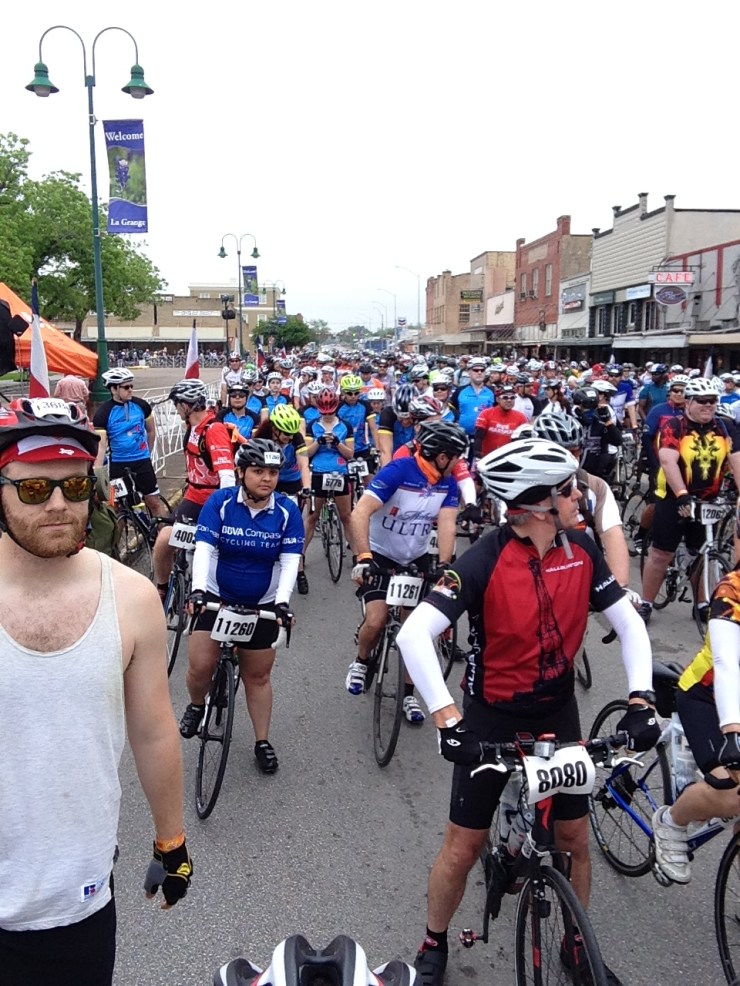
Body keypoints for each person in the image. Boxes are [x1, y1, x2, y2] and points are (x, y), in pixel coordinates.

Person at [396, 438, 658, 986]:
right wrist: (448, 722)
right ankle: (434, 939)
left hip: (556, 712)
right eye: (569, 491)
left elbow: (629, 624)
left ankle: (578, 945)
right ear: (539, 505)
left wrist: (640, 701)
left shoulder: (580, 550)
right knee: (463, 846)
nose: (578, 499)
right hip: (492, 715)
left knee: (574, 840)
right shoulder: (483, 559)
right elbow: (415, 634)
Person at [0, 397, 191, 986]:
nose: (58, 505)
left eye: (75, 487)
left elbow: (154, 729)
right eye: (34, 490)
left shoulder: (132, 598)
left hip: (73, 898)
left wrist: (172, 840)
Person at [180, 439, 303, 773]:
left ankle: (262, 740)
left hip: (262, 602)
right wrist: (199, 591)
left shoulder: (287, 511)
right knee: (200, 666)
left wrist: (281, 604)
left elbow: (291, 560)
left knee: (258, 676)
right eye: (258, 471)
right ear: (241, 472)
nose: (266, 478)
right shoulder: (220, 502)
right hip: (218, 595)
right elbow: (204, 548)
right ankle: (195, 704)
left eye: (273, 472)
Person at [346, 421, 468, 723]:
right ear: (441, 456)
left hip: (416, 557)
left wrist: (444, 564)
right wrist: (364, 557)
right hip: (381, 555)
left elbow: (448, 524)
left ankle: (409, 695)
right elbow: (359, 512)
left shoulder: (447, 482)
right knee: (376, 619)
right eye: (457, 456)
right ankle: (361, 662)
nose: (459, 463)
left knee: (417, 632)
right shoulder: (398, 471)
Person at [652, 564, 740, 884]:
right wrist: (732, 733)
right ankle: (672, 822)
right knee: (731, 793)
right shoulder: (732, 590)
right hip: (708, 697)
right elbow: (726, 664)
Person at [639, 377, 740, 625]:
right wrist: (683, 494)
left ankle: (702, 603)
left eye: (713, 401)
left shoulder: (725, 428)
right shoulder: (675, 425)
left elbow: (737, 462)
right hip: (674, 497)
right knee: (662, 554)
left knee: (703, 552)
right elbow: (668, 461)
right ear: (689, 402)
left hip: (709, 500)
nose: (709, 406)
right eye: (703, 401)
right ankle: (646, 603)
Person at [152, 379, 236, 600]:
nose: (175, 409)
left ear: (186, 405)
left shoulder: (213, 429)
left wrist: (224, 512)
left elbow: (227, 476)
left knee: (210, 551)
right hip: (193, 497)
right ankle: (162, 588)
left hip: (214, 500)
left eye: (176, 404)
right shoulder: (192, 427)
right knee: (163, 540)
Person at [92, 368, 168, 518]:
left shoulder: (142, 406)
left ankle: (164, 538)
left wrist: (148, 454)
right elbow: (101, 446)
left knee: (153, 501)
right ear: (113, 389)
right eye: (126, 387)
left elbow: (151, 431)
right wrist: (97, 474)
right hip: (118, 465)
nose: (131, 390)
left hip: (142, 462)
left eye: (131, 386)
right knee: (116, 507)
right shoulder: (103, 413)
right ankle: (115, 542)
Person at [254, 405, 310, 595]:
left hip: (291, 483)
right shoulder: (262, 437)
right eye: (285, 433)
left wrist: (307, 488)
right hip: (270, 482)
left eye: (291, 433)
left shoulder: (296, 437)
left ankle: (300, 571)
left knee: (295, 528)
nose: (289, 436)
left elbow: (304, 465)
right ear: (275, 429)